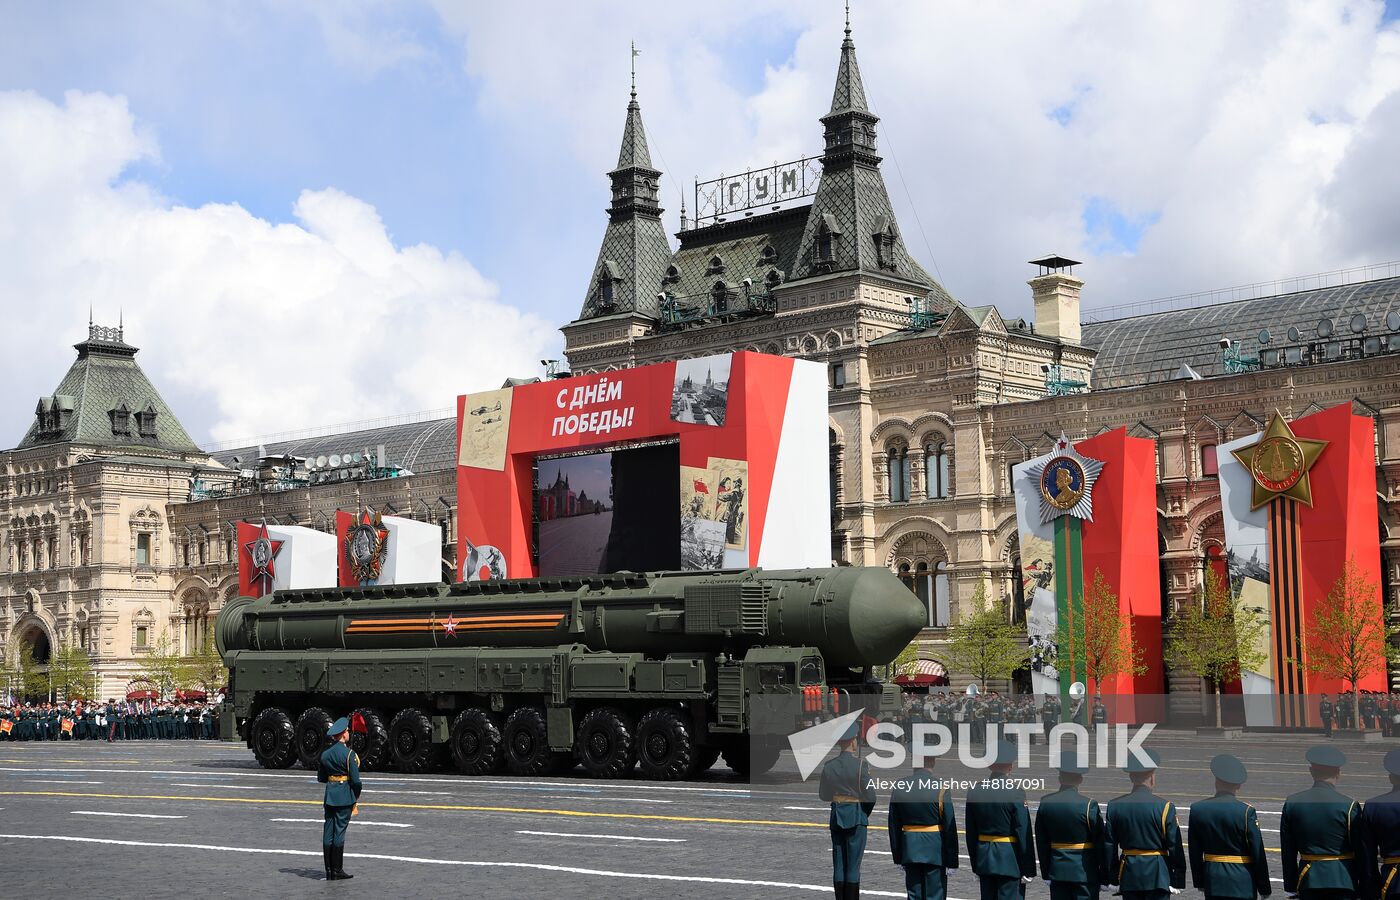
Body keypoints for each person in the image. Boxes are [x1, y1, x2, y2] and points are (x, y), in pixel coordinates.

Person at [1280, 745, 1366, 899]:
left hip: (1309, 878)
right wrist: (1365, 884)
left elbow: (1288, 850)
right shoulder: (1349, 805)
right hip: (1343, 879)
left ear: (1311, 771)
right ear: (1338, 772)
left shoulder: (1292, 803)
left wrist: (1292, 884)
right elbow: (1360, 850)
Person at [1105, 748, 1186, 900]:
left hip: (1129, 873)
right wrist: (1178, 879)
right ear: (1152, 777)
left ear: (1130, 777)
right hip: (1158, 875)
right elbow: (1175, 846)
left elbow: (1109, 846)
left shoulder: (1115, 806)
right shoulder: (1165, 807)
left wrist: (1113, 878)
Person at [1187, 754, 1270, 900]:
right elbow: (1257, 852)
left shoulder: (1198, 809)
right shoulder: (1246, 811)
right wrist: (1264, 887)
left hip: (1213, 879)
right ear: (1238, 785)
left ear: (1216, 782)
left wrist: (1199, 880)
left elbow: (1194, 851)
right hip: (1242, 880)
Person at [965, 740, 1035, 899]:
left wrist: (976, 865)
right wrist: (1028, 869)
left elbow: (971, 833)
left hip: (984, 859)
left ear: (989, 765)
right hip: (1009, 860)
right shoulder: (1015, 792)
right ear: (1010, 765)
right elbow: (1023, 831)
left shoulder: (975, 791)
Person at [819, 721, 876, 900]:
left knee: (839, 864)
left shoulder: (829, 765)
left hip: (837, 817)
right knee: (853, 866)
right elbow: (871, 796)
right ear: (853, 741)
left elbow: (824, 794)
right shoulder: (861, 765)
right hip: (856, 817)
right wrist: (863, 812)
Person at [888, 756, 958, 899]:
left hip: (910, 849)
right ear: (932, 762)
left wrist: (898, 856)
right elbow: (949, 826)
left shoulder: (900, 786)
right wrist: (952, 860)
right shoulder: (941, 788)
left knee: (914, 894)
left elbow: (893, 825)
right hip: (935, 850)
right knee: (935, 895)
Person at [1035, 757, 1104, 900]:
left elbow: (1042, 842)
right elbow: (1100, 842)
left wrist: (1046, 872)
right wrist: (1104, 873)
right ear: (1080, 780)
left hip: (1057, 870)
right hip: (1085, 872)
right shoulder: (1088, 805)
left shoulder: (1046, 802)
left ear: (1060, 778)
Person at [318, 717, 362, 881]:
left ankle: (329, 870)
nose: (349, 733)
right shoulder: (349, 754)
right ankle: (337, 870)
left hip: (330, 796)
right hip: (344, 796)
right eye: (348, 731)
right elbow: (356, 781)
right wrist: (355, 795)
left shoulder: (325, 754)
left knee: (328, 831)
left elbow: (321, 778)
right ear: (343, 734)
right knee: (339, 832)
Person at [1361, 748, 1400, 897]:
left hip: (1392, 881)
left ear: (1391, 778)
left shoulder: (1374, 806)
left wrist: (1370, 888)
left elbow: (1367, 854)